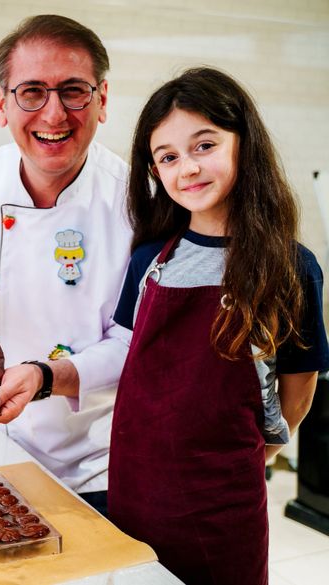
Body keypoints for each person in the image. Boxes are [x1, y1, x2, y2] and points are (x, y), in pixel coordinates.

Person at [107, 67, 329, 584]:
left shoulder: (290, 266)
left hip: (224, 498)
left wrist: (254, 455)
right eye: (168, 157)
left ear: (243, 144)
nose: (188, 167)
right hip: (136, 484)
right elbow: (132, 365)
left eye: (203, 145)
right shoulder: (148, 260)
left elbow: (298, 390)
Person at [0, 15, 132, 515]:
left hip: (99, 460)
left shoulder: (136, 200)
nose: (54, 114)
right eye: (31, 91)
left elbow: (136, 343)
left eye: (74, 91)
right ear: (2, 104)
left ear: (102, 99)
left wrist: (42, 376)